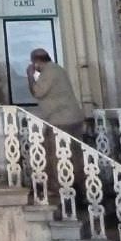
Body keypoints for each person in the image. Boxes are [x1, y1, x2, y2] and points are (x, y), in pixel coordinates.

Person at [26, 49, 86, 213]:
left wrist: (30, 75)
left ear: (37, 62)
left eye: (34, 63)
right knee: (74, 156)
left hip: (62, 121)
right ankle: (78, 192)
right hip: (71, 118)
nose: (34, 66)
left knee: (57, 157)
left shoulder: (49, 71)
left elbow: (38, 92)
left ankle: (65, 193)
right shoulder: (57, 69)